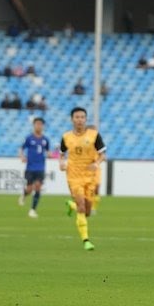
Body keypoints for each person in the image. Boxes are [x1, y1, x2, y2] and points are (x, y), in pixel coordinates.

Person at [59, 107, 107, 251]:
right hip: (73, 176)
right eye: (77, 117)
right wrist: (61, 162)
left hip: (90, 176)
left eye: (82, 117)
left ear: (85, 119)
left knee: (87, 211)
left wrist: (96, 163)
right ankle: (86, 240)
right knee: (81, 206)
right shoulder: (66, 137)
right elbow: (61, 153)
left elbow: (102, 154)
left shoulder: (94, 135)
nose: (79, 119)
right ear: (72, 119)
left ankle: (71, 205)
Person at [18, 117, 49, 218]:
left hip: (40, 167)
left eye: (40, 124)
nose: (39, 126)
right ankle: (24, 194)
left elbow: (48, 152)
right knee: (30, 189)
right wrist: (22, 156)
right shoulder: (29, 138)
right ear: (34, 125)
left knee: (38, 187)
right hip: (30, 167)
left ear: (43, 126)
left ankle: (32, 210)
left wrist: (51, 154)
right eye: (37, 124)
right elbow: (21, 148)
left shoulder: (45, 140)